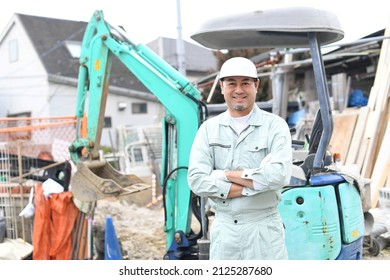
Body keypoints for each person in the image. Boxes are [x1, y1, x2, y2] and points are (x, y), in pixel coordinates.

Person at [187, 57, 293, 260]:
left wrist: (224, 175)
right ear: (221, 86)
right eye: (231, 83)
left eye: (245, 82)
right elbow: (197, 181)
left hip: (264, 231)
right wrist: (253, 185)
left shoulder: (275, 126)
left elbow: (278, 176)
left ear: (256, 85)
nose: (239, 90)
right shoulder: (208, 130)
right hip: (225, 232)